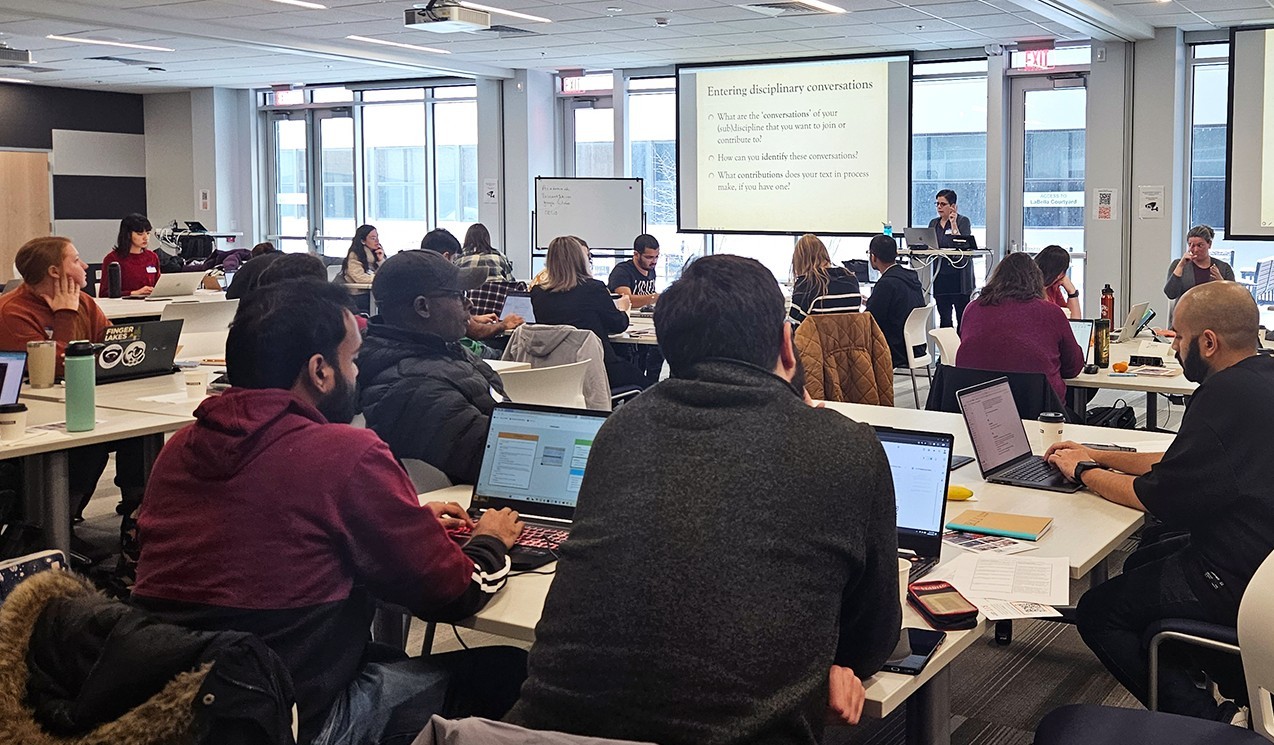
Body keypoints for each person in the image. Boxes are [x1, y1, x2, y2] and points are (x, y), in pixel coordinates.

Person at [506, 254, 901, 744]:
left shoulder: (619, 429)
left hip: (546, 733)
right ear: (786, 342)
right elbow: (874, 635)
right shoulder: (848, 447)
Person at [132, 278, 528, 745]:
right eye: (354, 359)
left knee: (382, 656)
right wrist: (489, 541)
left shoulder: (179, 448)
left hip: (181, 710)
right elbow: (452, 592)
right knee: (512, 670)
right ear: (320, 371)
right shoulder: (345, 454)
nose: (358, 374)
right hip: (296, 721)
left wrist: (404, 518)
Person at [1046, 281, 1274, 724]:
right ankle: (1180, 659)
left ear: (1208, 342)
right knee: (1143, 560)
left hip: (1235, 578)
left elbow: (1152, 499)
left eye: (1179, 338)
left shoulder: (1221, 396)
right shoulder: (1260, 376)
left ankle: (1208, 722)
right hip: (1261, 557)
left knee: (1099, 612)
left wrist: (1081, 472)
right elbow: (1180, 459)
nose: (1174, 350)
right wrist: (1097, 454)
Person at [0, 236, 145, 553]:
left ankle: (136, 523)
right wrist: (64, 316)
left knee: (140, 437)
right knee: (86, 446)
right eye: (76, 259)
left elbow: (109, 349)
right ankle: (53, 529)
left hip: (85, 402)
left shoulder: (85, 302)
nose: (83, 265)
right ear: (55, 271)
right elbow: (54, 367)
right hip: (37, 417)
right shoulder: (12, 311)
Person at [358, 250, 507, 485]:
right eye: (459, 294)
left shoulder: (445, 352)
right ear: (422, 307)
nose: (469, 303)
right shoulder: (410, 389)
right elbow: (500, 459)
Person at [956, 253, 1084, 402]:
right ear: (1036, 280)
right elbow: (1073, 368)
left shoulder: (972, 309)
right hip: (1039, 412)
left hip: (979, 409)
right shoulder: (1051, 312)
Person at [531, 235, 651, 390]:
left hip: (555, 369)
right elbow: (618, 325)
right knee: (647, 385)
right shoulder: (593, 289)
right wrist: (623, 309)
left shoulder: (538, 293)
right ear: (581, 260)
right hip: (597, 367)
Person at [421, 227, 523, 344]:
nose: (470, 303)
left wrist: (473, 318)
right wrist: (504, 324)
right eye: (453, 260)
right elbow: (477, 332)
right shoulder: (443, 289)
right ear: (445, 257)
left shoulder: (418, 282)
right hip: (452, 350)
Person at [864, 234, 925, 369]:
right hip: (916, 345)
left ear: (873, 257)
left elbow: (871, 319)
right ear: (896, 254)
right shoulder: (911, 277)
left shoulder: (886, 284)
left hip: (895, 348)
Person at [789, 233, 861, 324]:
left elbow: (795, 324)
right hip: (851, 338)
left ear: (799, 260)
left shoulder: (806, 283)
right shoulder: (850, 278)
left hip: (815, 338)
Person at [928, 189, 974, 329]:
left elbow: (962, 244)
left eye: (943, 204)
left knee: (962, 318)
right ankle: (945, 349)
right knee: (944, 317)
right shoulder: (934, 223)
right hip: (940, 275)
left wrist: (953, 223)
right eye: (937, 204)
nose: (939, 207)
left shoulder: (963, 221)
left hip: (959, 277)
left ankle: (961, 349)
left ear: (953, 206)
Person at [1165, 225, 1235, 301]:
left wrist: (1221, 283)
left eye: (1200, 245)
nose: (1195, 250)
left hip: (1215, 311)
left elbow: (1233, 298)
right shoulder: (1178, 265)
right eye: (1191, 245)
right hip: (1186, 311)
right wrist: (1181, 266)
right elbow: (1170, 294)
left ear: (1209, 244)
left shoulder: (1223, 268)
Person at [100, 213, 160, 298]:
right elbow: (104, 293)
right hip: (124, 307)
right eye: (140, 234)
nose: (146, 237)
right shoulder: (112, 259)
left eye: (148, 233)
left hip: (151, 304)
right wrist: (134, 293)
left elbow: (158, 285)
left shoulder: (152, 257)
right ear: (128, 234)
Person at [607, 233, 659, 308]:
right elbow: (626, 300)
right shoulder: (622, 271)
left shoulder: (650, 269)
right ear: (636, 254)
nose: (654, 261)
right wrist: (655, 297)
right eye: (649, 257)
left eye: (656, 257)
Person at [1035, 244, 1081, 318]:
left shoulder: (1053, 288)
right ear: (1060, 274)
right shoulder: (1028, 290)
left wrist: (1072, 292)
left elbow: (1074, 321)